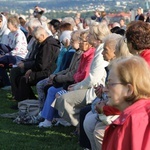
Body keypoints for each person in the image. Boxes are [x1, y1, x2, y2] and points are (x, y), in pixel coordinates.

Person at [53, 22, 110, 128]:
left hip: (94, 90)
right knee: (61, 98)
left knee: (63, 99)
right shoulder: (99, 50)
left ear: (96, 37)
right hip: (91, 87)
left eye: (90, 35)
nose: (88, 37)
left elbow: (93, 79)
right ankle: (79, 126)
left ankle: (79, 126)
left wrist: (76, 87)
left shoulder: (101, 51)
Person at [38, 30, 96, 127]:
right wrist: (55, 76)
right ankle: (51, 117)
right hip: (73, 83)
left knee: (54, 91)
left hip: (77, 85)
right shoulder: (78, 53)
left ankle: (52, 119)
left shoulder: (85, 54)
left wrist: (57, 78)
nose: (72, 43)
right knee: (50, 89)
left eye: (74, 41)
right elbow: (69, 69)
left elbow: (77, 74)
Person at [102, 56, 150, 150]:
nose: (105, 89)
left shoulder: (133, 122)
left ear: (128, 89)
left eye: (110, 84)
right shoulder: (140, 115)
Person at [14, 26, 60, 101]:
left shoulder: (48, 46)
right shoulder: (46, 43)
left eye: (37, 38)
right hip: (43, 70)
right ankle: (29, 100)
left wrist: (31, 70)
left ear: (42, 35)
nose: (36, 40)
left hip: (47, 72)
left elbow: (42, 65)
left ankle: (26, 101)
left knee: (24, 79)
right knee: (19, 78)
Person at [10, 18, 42, 97]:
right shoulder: (32, 38)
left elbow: (37, 59)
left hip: (35, 67)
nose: (29, 31)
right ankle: (18, 96)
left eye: (30, 29)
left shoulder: (38, 40)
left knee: (18, 74)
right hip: (28, 61)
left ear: (34, 28)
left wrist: (25, 64)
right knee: (14, 71)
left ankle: (22, 97)